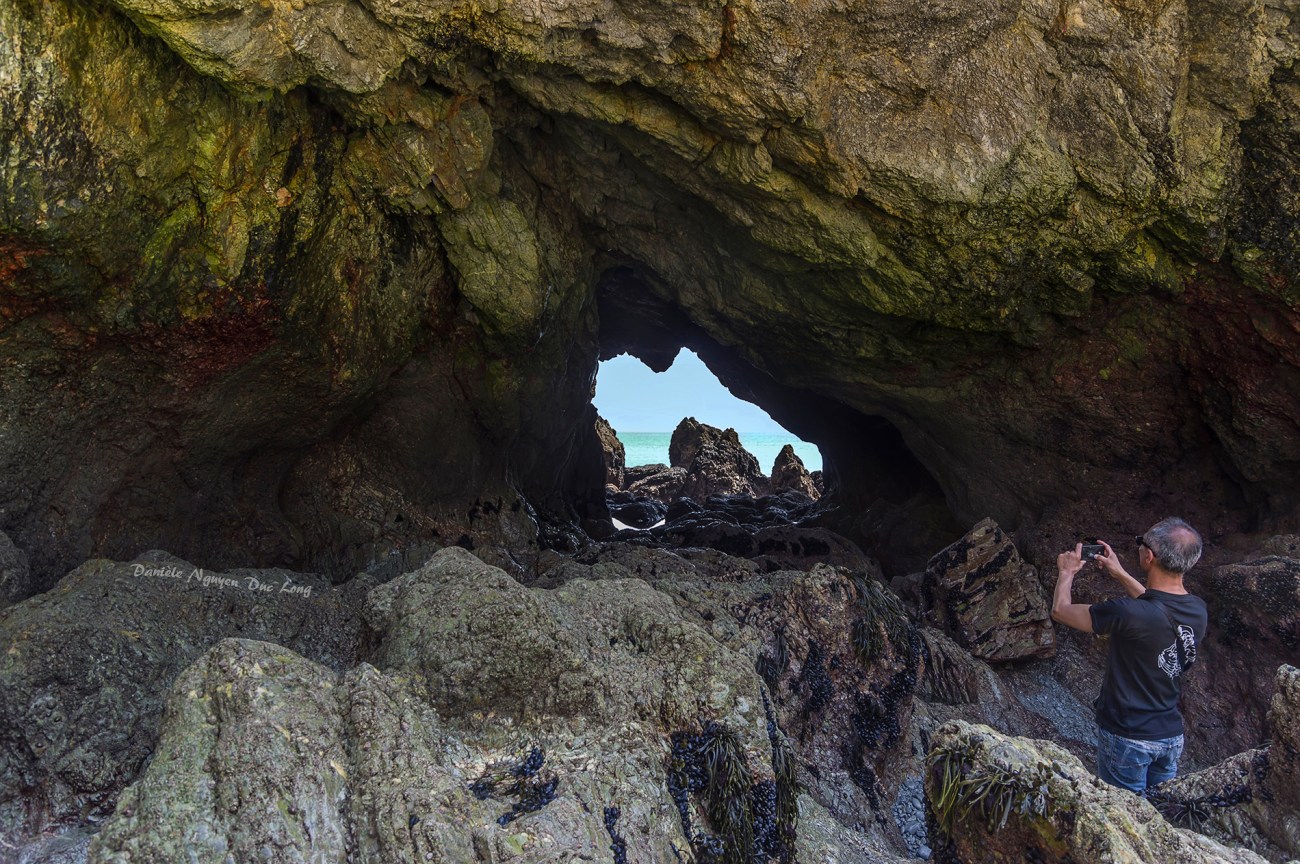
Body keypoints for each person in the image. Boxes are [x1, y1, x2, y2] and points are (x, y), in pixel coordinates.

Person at [1050, 517, 1208, 794]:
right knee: (1160, 815)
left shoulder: (1127, 612)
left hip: (1128, 736)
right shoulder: (1197, 609)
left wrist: (1066, 572)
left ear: (1148, 556)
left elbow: (1061, 610)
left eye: (1141, 543)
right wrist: (1119, 573)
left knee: (1127, 819)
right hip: (1169, 735)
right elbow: (1156, 605)